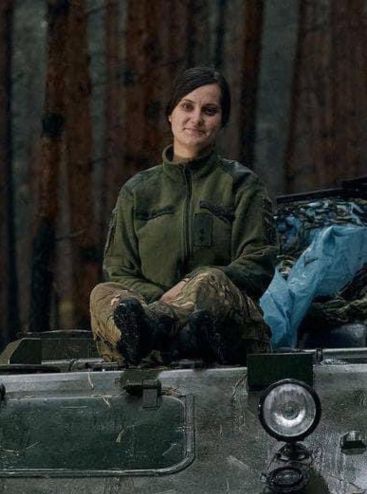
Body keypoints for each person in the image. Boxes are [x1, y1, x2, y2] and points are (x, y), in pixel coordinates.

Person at [90, 67, 276, 365]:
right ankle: (166, 337)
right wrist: (161, 298)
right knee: (103, 293)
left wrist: (190, 286)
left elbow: (257, 264)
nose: (196, 119)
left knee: (209, 279)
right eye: (187, 106)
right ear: (170, 114)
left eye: (209, 110)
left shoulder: (242, 185)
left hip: (225, 331)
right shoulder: (137, 191)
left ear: (222, 120)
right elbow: (119, 270)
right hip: (148, 325)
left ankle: (161, 331)